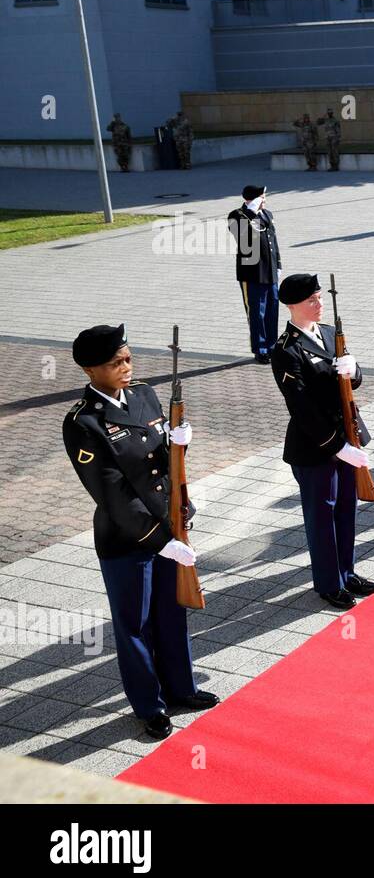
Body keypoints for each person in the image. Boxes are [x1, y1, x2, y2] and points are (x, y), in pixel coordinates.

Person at [63, 324, 220, 739]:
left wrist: (178, 443)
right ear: (90, 370)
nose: (127, 367)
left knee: (172, 613)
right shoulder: (84, 423)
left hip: (169, 524)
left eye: (129, 358)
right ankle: (149, 705)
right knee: (135, 624)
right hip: (128, 539)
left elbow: (162, 463)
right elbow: (113, 494)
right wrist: (161, 542)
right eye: (117, 363)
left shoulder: (145, 394)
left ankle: (182, 688)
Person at [270, 273, 374, 610]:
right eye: (311, 301)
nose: (319, 305)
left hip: (346, 436)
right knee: (322, 517)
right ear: (292, 306)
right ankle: (328, 583)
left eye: (319, 298)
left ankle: (346, 571)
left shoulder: (331, 334)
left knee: (346, 510)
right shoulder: (286, 350)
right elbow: (302, 407)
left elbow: (353, 381)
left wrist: (354, 370)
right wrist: (337, 446)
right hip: (315, 447)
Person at [227, 184, 282, 364]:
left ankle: (272, 345)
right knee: (256, 313)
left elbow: (273, 241)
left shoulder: (268, 214)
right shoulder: (237, 216)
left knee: (272, 310)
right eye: (262, 197)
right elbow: (243, 237)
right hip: (252, 274)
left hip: (270, 271)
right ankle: (260, 349)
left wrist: (278, 264)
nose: (265, 200)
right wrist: (251, 213)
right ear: (253, 199)